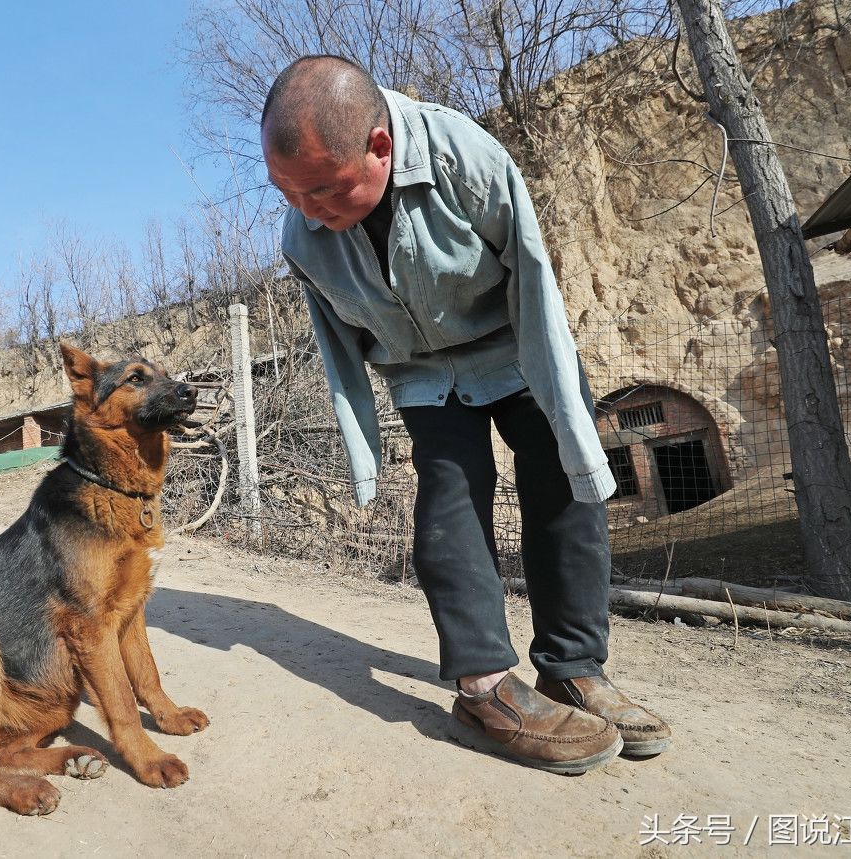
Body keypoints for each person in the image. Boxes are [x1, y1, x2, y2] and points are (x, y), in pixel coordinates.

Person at [261, 55, 671, 774]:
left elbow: (535, 283)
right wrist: (362, 448)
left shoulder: (466, 160)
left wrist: (566, 416)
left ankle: (574, 669)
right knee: (450, 496)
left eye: (322, 189)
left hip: (516, 343)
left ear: (379, 148)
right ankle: (483, 687)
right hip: (423, 371)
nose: (306, 211)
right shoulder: (303, 240)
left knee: (563, 486)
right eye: (286, 192)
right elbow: (337, 344)